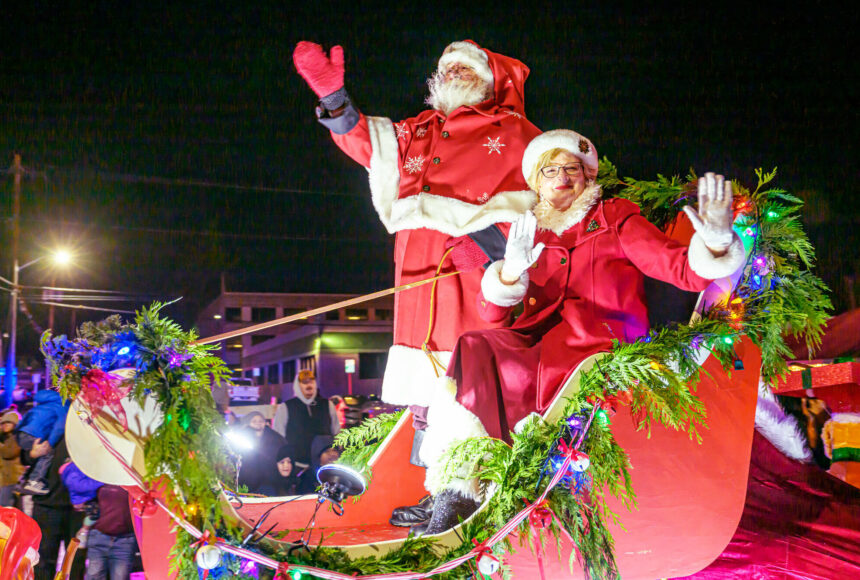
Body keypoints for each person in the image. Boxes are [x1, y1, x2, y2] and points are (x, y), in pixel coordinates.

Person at [418, 129, 746, 533]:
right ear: (535, 182)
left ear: (588, 177)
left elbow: (677, 268)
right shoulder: (527, 231)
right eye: (549, 170)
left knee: (540, 372)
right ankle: (456, 494)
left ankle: (523, 496)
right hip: (536, 342)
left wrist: (714, 244)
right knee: (474, 347)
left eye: (572, 168)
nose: (561, 178)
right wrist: (508, 272)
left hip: (598, 345)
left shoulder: (614, 216)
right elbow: (494, 320)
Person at [292, 40, 542, 425]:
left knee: (472, 387)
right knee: (422, 393)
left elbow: (542, 206)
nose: (452, 74)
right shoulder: (418, 130)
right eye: (447, 69)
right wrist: (334, 97)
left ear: (490, 82)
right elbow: (368, 147)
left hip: (470, 276)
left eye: (465, 69)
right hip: (416, 275)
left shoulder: (516, 133)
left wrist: (477, 252)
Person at [27, 436, 87, 580]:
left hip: (77, 507)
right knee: (43, 560)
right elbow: (23, 455)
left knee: (75, 560)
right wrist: (32, 454)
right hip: (46, 505)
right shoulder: (50, 420)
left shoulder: (86, 425)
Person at [271, 370, 340, 467]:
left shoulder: (327, 405)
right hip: (298, 466)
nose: (309, 385)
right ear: (298, 385)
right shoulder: (286, 407)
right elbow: (278, 439)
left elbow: (336, 433)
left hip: (323, 466)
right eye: (304, 382)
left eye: (311, 381)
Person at [15, 388, 70, 495]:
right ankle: (34, 480)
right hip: (36, 435)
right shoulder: (63, 406)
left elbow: (27, 417)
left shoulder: (45, 405)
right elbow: (59, 427)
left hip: (24, 433)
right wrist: (50, 443)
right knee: (46, 452)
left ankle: (25, 479)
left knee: (42, 454)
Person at [84, 484, 138, 580]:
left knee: (120, 577)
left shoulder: (132, 482)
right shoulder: (98, 478)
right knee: (94, 576)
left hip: (124, 540)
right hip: (99, 536)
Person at [236, 411, 287, 494]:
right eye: (254, 421)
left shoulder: (275, 438)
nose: (258, 423)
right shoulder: (241, 438)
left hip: (269, 482)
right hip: (247, 480)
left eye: (260, 421)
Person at [0, 408, 25, 506]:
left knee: (6, 507)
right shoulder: (5, 438)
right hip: (6, 479)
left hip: (13, 479)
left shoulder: (16, 438)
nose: (5, 425)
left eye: (8, 423)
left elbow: (8, 453)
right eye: (3, 423)